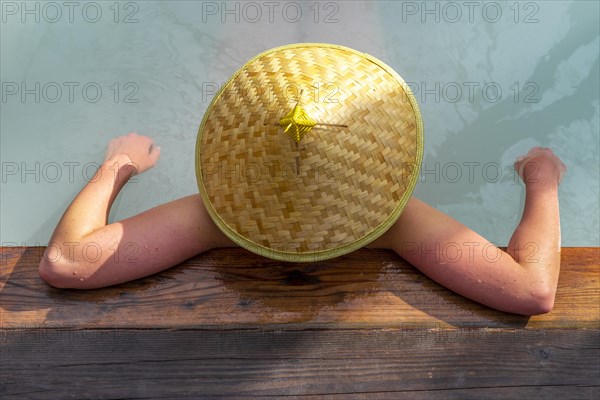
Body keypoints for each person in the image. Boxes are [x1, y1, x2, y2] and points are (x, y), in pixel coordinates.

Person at [38, 132, 567, 316]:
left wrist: (117, 167)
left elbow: (64, 262)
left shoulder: (219, 212)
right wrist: (541, 182)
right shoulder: (389, 218)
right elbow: (531, 288)